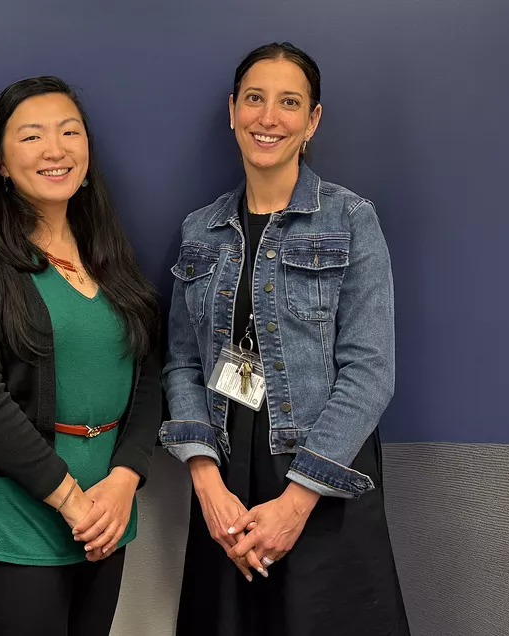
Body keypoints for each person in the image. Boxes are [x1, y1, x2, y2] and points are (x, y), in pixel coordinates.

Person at [160, 42, 410, 635]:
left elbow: (370, 370)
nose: (268, 118)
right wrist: (207, 484)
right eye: (254, 99)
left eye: (289, 102)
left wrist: (296, 503)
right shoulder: (201, 229)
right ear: (232, 110)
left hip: (320, 476)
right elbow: (180, 365)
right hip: (226, 482)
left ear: (312, 120)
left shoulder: (350, 219)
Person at [0, 76, 162, 636]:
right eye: (32, 137)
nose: (56, 150)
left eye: (69, 132)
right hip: (18, 505)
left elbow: (148, 372)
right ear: (2, 163)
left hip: (108, 504)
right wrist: (71, 502)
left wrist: (126, 476)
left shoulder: (107, 248)